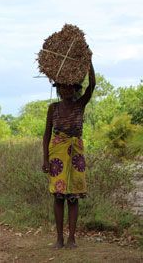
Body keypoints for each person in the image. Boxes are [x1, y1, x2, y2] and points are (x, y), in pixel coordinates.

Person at [42, 59, 96, 249]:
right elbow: (47, 134)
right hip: (57, 153)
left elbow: (93, 85)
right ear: (59, 90)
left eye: (70, 88)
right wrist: (45, 159)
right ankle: (59, 238)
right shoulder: (53, 108)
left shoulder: (80, 104)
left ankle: (72, 238)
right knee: (58, 196)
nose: (66, 91)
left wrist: (89, 62)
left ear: (75, 89)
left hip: (76, 152)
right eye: (62, 88)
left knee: (73, 196)